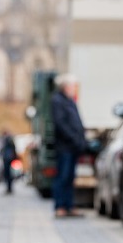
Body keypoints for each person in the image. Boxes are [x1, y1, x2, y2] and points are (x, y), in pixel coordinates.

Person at [50, 73, 87, 217]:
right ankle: (60, 206)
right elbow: (61, 124)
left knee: (70, 177)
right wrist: (73, 138)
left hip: (73, 146)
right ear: (66, 86)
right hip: (64, 146)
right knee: (63, 177)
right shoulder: (58, 101)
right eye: (73, 86)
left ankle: (69, 205)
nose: (75, 89)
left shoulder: (70, 101)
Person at [1, 130, 17, 194]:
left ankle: (9, 188)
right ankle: (9, 188)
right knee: (9, 174)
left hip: (7, 159)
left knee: (8, 174)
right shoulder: (9, 140)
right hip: (9, 158)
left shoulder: (7, 140)